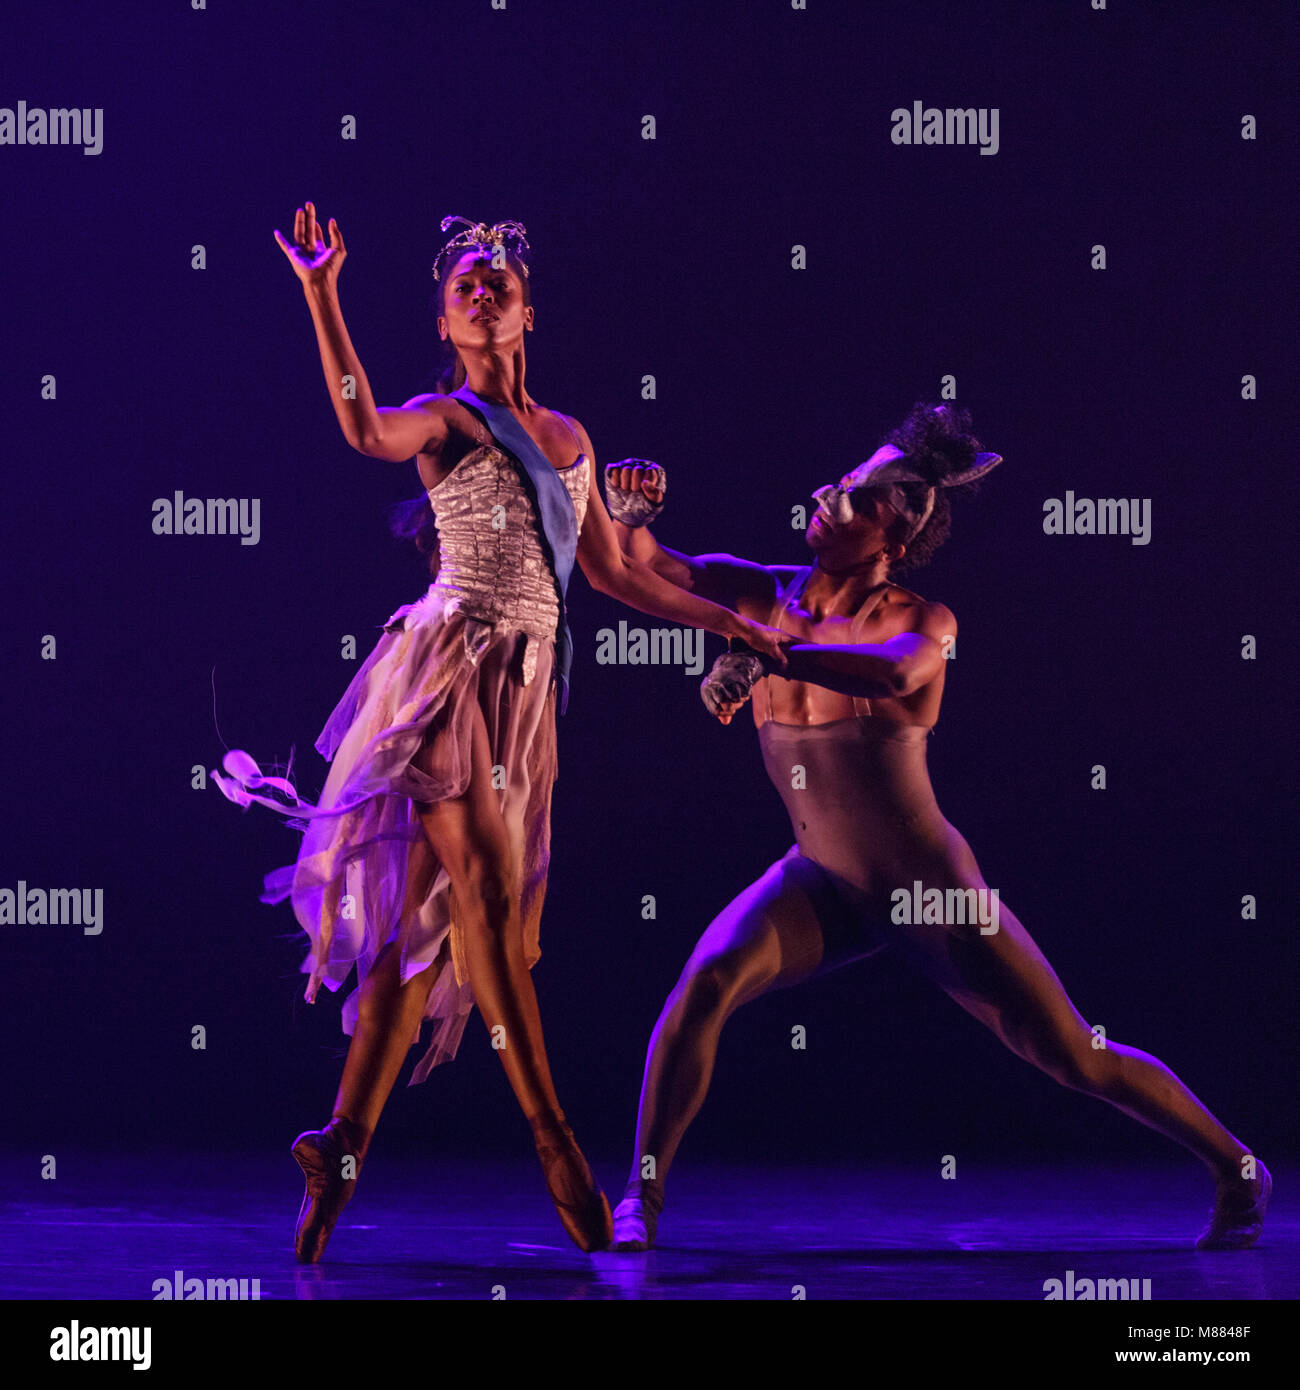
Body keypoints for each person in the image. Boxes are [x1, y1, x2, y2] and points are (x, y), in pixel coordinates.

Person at [211, 209, 790, 1261]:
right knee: (479, 896)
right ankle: (555, 1141)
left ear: (527, 309)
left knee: (420, 945)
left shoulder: (570, 437)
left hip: (526, 704)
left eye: (499, 280)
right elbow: (360, 429)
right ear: (446, 318)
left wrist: (728, 621)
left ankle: (338, 1156)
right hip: (448, 672)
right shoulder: (443, 419)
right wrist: (321, 292)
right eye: (464, 284)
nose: (483, 290)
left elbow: (612, 571)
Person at [602, 401, 1271, 1252]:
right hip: (822, 882)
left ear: (890, 538)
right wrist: (629, 516)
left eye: (853, 498)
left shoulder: (922, 621)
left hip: (929, 888)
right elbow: (648, 569)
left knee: (1070, 1052)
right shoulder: (760, 593)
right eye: (837, 484)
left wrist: (764, 651)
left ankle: (1236, 1167)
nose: (826, 497)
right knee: (703, 986)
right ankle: (642, 1201)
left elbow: (889, 676)